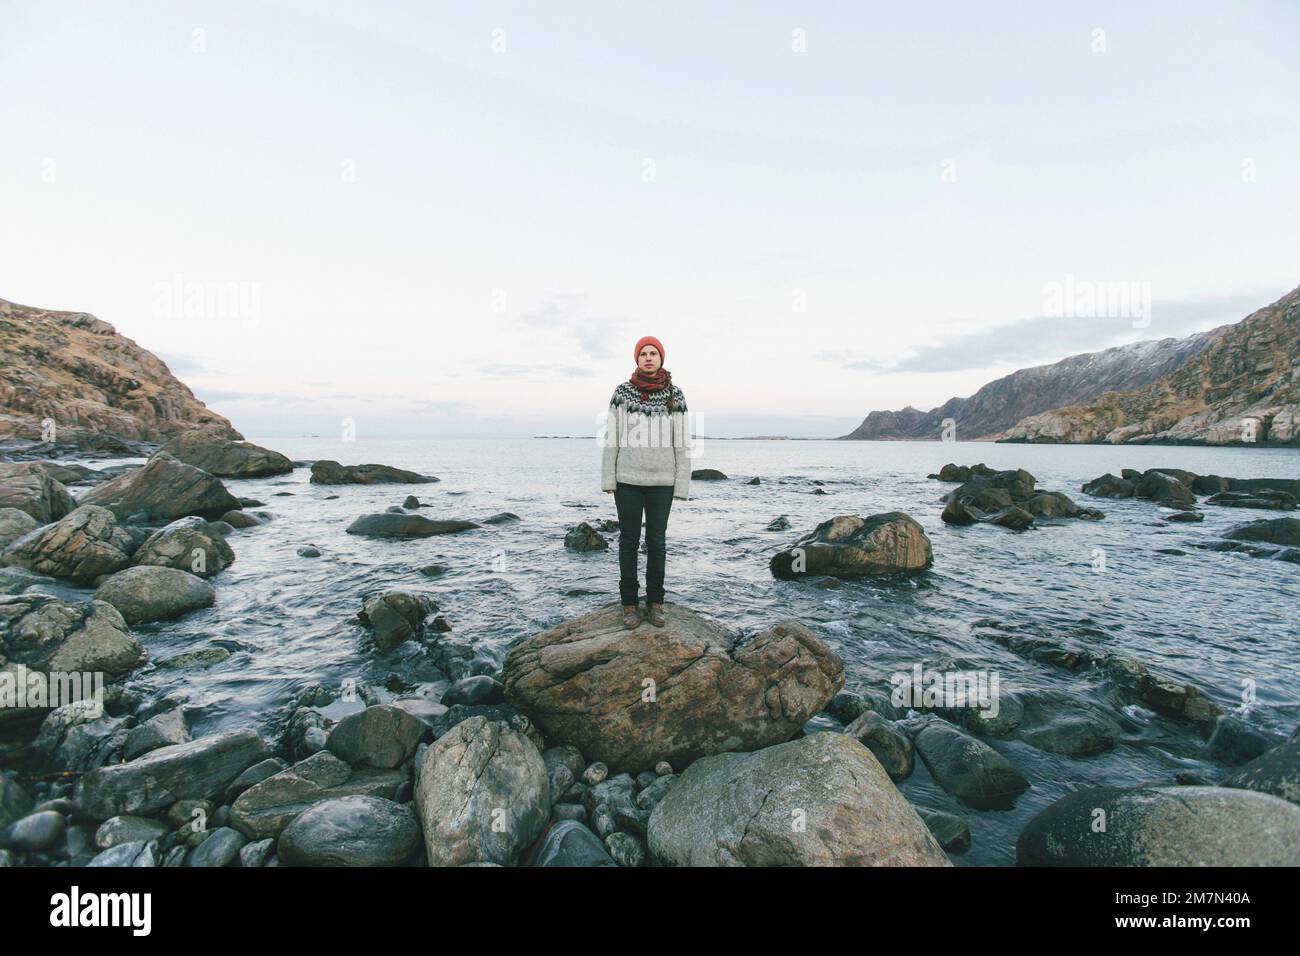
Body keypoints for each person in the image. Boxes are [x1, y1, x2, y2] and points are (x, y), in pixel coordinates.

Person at [600, 335, 690, 629]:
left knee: (657, 542)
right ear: (636, 359)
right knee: (628, 542)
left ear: (661, 358)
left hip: (662, 481)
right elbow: (611, 439)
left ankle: (655, 603)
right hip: (627, 480)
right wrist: (608, 478)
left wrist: (681, 484)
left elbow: (682, 444)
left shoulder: (675, 396)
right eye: (643, 354)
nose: (648, 358)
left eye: (653, 353)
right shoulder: (622, 393)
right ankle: (629, 605)